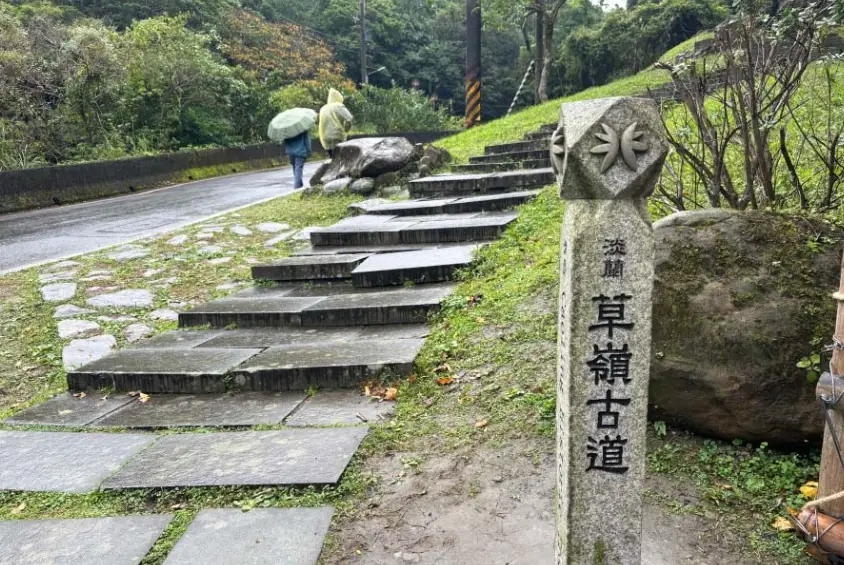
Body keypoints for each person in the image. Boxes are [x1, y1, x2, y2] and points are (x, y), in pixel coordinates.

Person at [319, 88, 353, 159]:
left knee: (332, 159)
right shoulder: (338, 106)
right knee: (339, 159)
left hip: (324, 137)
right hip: (336, 135)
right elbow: (349, 118)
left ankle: (331, 170)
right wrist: (346, 130)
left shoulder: (323, 108)